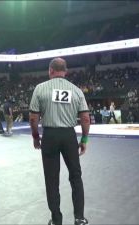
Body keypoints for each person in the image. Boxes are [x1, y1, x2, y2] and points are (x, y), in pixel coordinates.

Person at [29, 58, 90, 225]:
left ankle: (56, 220)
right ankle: (79, 218)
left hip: (49, 136)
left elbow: (34, 118)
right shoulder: (76, 90)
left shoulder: (40, 89)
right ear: (66, 71)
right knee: (76, 176)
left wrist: (35, 136)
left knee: (51, 179)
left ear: (50, 70)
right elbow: (85, 118)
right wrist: (84, 138)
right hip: (69, 136)